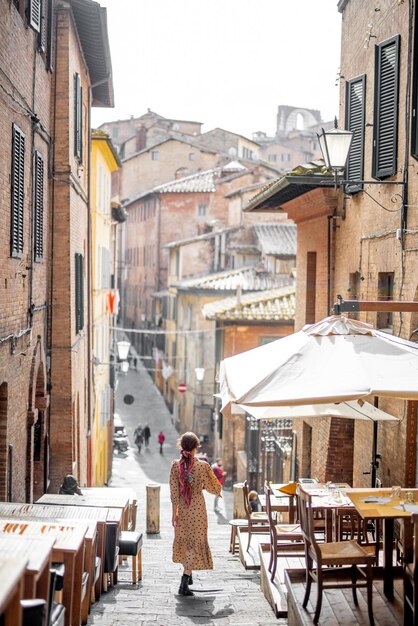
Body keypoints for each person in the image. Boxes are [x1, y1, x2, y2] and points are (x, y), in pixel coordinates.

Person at [169, 431, 222, 596]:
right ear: (196, 448)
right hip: (198, 508)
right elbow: (215, 487)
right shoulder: (203, 466)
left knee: (186, 541)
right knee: (196, 541)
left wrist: (174, 514)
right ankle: (184, 582)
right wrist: (216, 490)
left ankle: (188, 572)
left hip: (183, 509)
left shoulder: (175, 466)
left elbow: (174, 493)